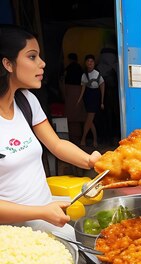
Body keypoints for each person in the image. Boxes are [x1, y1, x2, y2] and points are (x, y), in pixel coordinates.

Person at [0, 25, 100, 227]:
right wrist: (41, 212)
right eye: (32, 57)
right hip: (12, 237)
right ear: (8, 64)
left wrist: (92, 162)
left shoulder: (26, 101)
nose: (42, 63)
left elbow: (56, 145)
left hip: (45, 220)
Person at [77, 54, 104, 148]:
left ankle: (83, 139)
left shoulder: (97, 74)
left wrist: (102, 102)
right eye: (88, 61)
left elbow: (102, 88)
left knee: (89, 120)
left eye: (91, 61)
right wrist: (79, 100)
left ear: (94, 63)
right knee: (90, 121)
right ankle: (95, 140)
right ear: (85, 63)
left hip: (95, 96)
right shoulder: (84, 75)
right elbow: (83, 89)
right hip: (87, 96)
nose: (90, 63)